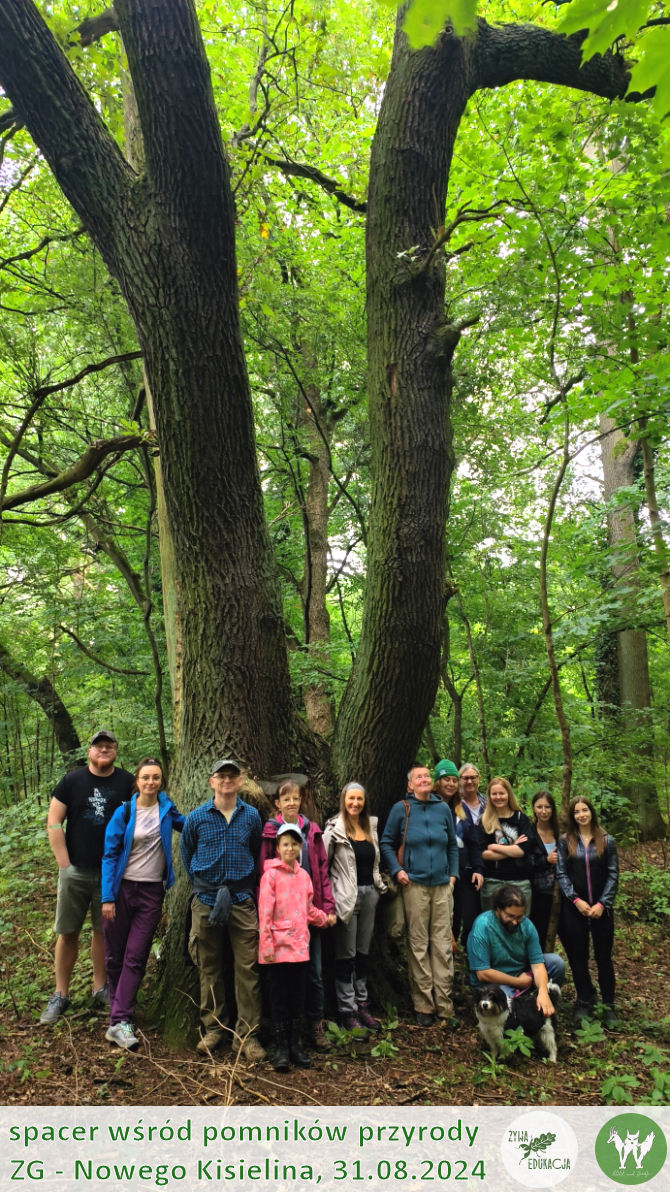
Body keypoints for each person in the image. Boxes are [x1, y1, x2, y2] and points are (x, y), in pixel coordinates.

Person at [40, 730, 134, 1025]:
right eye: (99, 745)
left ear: (115, 751)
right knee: (68, 932)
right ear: (90, 750)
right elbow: (54, 821)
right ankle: (60, 994)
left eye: (109, 746)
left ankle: (99, 988)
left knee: (102, 931)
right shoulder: (72, 781)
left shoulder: (127, 782)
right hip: (76, 871)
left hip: (112, 874)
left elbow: (138, 823)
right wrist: (64, 864)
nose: (104, 750)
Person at [180, 758, 265, 1061]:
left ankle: (248, 1035)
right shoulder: (197, 818)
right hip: (205, 902)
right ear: (211, 781)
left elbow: (257, 852)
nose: (227, 781)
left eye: (232, 776)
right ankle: (214, 1028)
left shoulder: (252, 817)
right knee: (209, 966)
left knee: (248, 968)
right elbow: (186, 855)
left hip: (242, 900)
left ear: (240, 781)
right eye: (221, 776)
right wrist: (206, 887)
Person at [100, 757, 184, 1050]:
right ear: (137, 781)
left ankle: (120, 1021)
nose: (151, 782)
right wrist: (107, 897)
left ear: (162, 781)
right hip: (121, 890)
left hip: (151, 893)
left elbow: (188, 827)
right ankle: (118, 1013)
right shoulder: (124, 812)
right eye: (146, 777)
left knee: (136, 956)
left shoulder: (167, 810)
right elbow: (109, 855)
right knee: (114, 955)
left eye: (156, 777)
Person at [258, 779, 336, 1049]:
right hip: (279, 920)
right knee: (280, 978)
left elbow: (322, 872)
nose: (292, 802)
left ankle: (313, 1025)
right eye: (286, 798)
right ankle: (281, 1032)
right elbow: (264, 872)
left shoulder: (311, 830)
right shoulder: (270, 832)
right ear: (277, 803)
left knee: (313, 972)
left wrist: (328, 908)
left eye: (296, 797)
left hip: (308, 913)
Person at [380, 763, 459, 1027]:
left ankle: (445, 1005)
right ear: (410, 785)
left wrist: (453, 875)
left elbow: (451, 845)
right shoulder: (401, 809)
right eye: (418, 777)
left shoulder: (443, 809)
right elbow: (387, 842)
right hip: (413, 885)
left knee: (442, 944)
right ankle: (423, 1004)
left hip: (441, 886)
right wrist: (397, 869)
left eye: (427, 776)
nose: (424, 779)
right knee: (418, 944)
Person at [323, 782, 387, 1032]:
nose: (355, 803)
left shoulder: (370, 827)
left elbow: (375, 861)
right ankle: (346, 1009)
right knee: (345, 955)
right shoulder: (335, 829)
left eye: (359, 799)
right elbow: (323, 867)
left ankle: (362, 1004)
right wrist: (330, 900)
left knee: (362, 954)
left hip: (370, 894)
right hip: (345, 899)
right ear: (344, 800)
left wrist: (379, 885)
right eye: (351, 799)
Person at [556, 796, 619, 1028]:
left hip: (602, 909)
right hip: (576, 908)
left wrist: (603, 904)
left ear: (591, 812)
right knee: (578, 957)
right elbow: (561, 873)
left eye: (585, 810)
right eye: (576, 812)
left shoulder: (606, 840)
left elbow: (613, 874)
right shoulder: (566, 841)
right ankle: (584, 1000)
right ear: (572, 816)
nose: (581, 815)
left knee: (604, 957)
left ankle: (609, 1004)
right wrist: (576, 900)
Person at [467, 884, 565, 1012]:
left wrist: (543, 992)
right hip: (495, 983)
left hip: (522, 974)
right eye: (510, 916)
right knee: (503, 1002)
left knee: (556, 963)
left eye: (519, 917)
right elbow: (483, 973)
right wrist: (518, 982)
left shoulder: (526, 926)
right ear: (497, 910)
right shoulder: (483, 926)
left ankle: (544, 1006)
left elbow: (538, 965)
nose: (515, 922)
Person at [433, 760, 483, 950]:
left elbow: (473, 843)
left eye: (455, 780)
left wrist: (478, 869)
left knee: (456, 918)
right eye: (447, 779)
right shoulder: (428, 806)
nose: (451, 784)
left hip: (459, 873)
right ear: (438, 782)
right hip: (435, 873)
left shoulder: (461, 811)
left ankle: (450, 963)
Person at [478, 776, 537, 913]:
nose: (498, 797)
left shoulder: (521, 819)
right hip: (492, 881)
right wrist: (513, 847)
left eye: (501, 793)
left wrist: (495, 847)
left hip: (519, 881)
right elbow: (483, 854)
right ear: (489, 796)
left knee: (518, 924)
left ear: (508, 794)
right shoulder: (484, 821)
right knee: (492, 925)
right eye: (494, 794)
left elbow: (523, 851)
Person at [529, 790, 559, 949]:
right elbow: (526, 862)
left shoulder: (561, 832)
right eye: (539, 807)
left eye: (547, 807)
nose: (543, 811)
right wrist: (546, 860)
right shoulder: (530, 832)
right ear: (533, 808)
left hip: (560, 892)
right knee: (539, 935)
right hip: (538, 894)